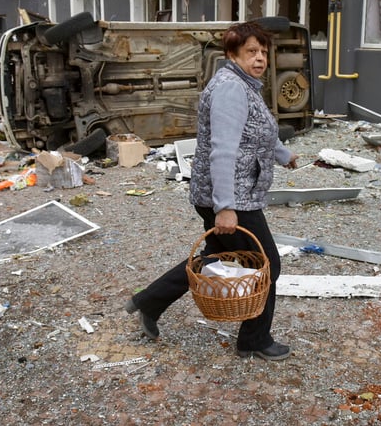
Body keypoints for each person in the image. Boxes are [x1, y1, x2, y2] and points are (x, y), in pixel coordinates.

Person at [125, 20, 298, 361]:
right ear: (232, 54)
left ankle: (148, 301)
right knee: (267, 265)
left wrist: (284, 155)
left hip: (233, 193)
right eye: (251, 51)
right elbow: (222, 150)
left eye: (263, 51)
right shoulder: (231, 88)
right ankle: (254, 339)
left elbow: (259, 131)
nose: (260, 58)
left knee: (215, 257)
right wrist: (225, 207)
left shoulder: (246, 85)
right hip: (231, 196)